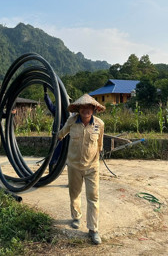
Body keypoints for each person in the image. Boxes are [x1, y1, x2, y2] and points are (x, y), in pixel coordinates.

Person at [57, 93, 105, 245]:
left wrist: (98, 155)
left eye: (89, 107)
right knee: (75, 193)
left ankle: (93, 230)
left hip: (92, 167)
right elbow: (61, 134)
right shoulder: (71, 122)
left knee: (93, 197)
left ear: (94, 108)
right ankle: (76, 216)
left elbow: (100, 144)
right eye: (83, 107)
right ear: (78, 109)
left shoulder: (99, 124)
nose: (86, 110)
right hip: (74, 166)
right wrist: (56, 138)